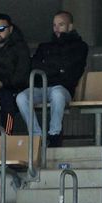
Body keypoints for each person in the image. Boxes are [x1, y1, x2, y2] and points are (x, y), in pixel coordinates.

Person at [19, 11, 90, 148]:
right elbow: (34, 66)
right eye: (54, 25)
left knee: (57, 94)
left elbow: (71, 69)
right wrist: (57, 69)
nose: (57, 28)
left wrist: (48, 67)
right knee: (21, 97)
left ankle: (54, 135)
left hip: (63, 89)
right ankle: (37, 136)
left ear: (70, 27)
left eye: (61, 25)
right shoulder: (44, 46)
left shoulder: (80, 46)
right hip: (41, 87)